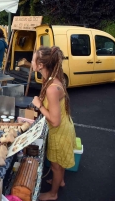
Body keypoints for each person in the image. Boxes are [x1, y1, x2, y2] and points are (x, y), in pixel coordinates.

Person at [31, 46, 76, 201]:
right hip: (65, 126)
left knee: (56, 165)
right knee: (60, 161)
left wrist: (39, 105)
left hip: (60, 130)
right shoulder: (51, 78)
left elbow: (55, 121)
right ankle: (60, 181)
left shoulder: (51, 88)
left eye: (33, 59)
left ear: (41, 65)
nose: (31, 62)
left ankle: (53, 193)